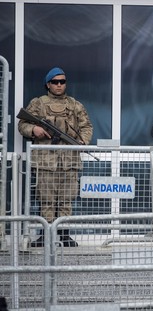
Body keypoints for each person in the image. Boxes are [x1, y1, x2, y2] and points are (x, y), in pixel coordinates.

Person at [18, 67, 93, 247]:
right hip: (46, 161)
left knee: (66, 199)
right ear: (48, 84)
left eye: (62, 82)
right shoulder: (38, 103)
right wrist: (34, 130)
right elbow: (23, 125)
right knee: (46, 199)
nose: (59, 85)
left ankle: (64, 235)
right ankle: (45, 235)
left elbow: (86, 126)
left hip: (69, 161)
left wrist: (83, 141)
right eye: (55, 82)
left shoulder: (75, 105)